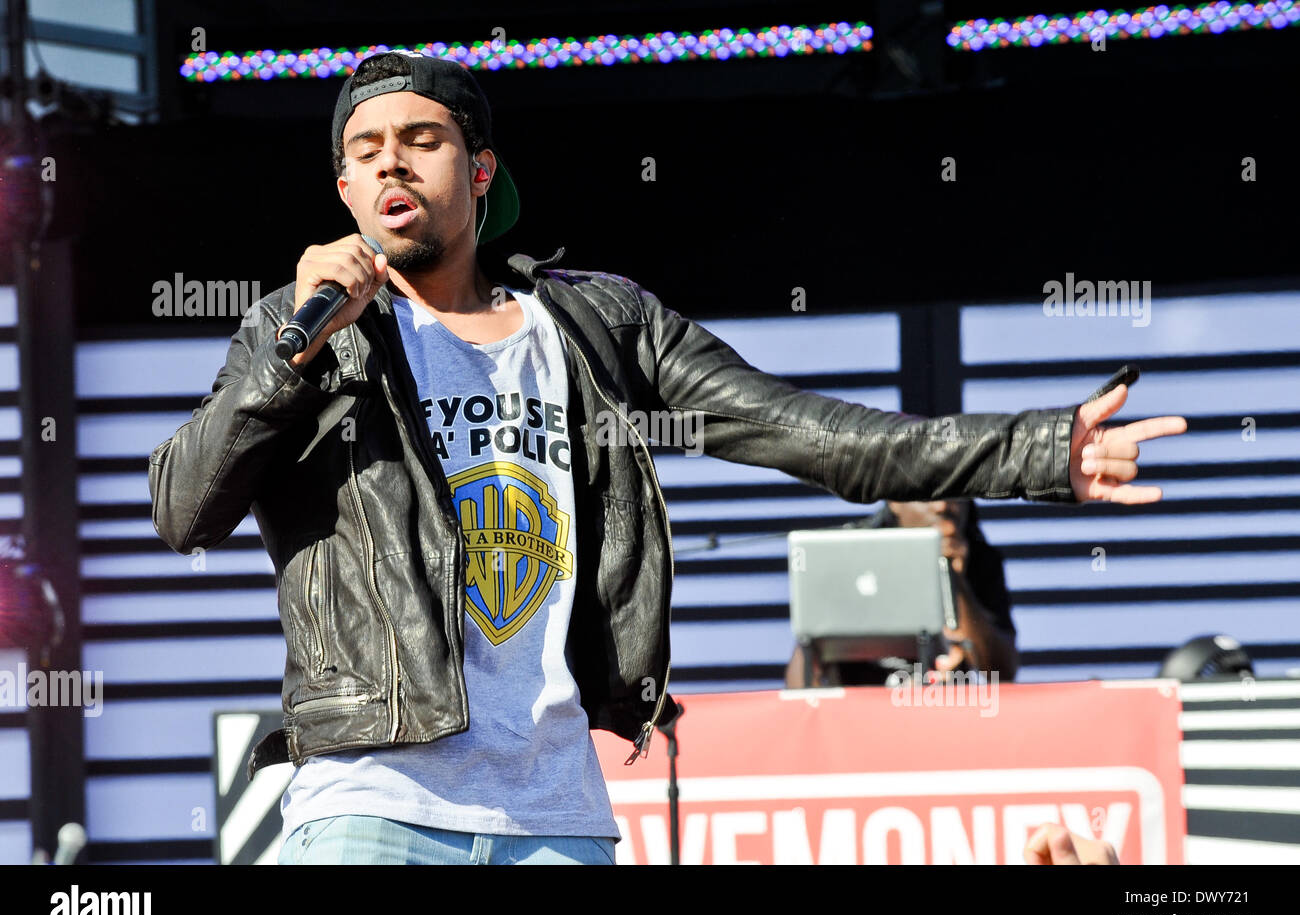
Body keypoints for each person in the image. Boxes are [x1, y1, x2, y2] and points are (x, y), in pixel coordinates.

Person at [146, 51, 1187, 865]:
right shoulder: (304, 335)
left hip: (555, 811)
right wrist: (291, 350)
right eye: (365, 148)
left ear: (480, 169)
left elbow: (809, 433)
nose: (390, 161)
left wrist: (1037, 450)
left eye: (420, 138)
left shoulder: (597, 325)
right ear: (342, 188)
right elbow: (183, 509)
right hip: (372, 806)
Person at [784, 498, 1019, 688]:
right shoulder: (853, 554)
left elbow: (1002, 672)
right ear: (894, 501)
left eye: (955, 493)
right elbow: (800, 681)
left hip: (942, 719)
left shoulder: (980, 561)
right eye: (927, 494)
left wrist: (955, 578)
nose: (942, 506)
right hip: (863, 721)